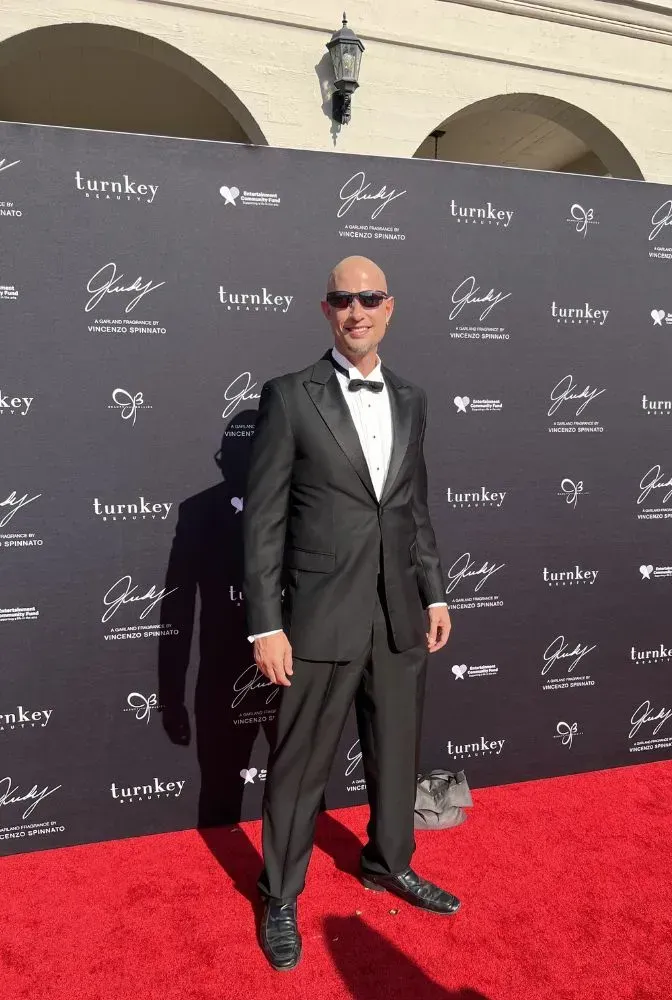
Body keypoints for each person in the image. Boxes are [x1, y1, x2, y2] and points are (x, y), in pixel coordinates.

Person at [243, 255, 459, 972]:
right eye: (343, 299)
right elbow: (264, 521)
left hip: (398, 612)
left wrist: (435, 589)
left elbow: (413, 508)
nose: (356, 310)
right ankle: (279, 895)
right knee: (299, 766)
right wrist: (266, 623)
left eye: (369, 297)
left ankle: (388, 862)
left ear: (389, 307)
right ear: (326, 310)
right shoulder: (289, 396)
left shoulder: (413, 399)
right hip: (318, 615)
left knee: (396, 751)